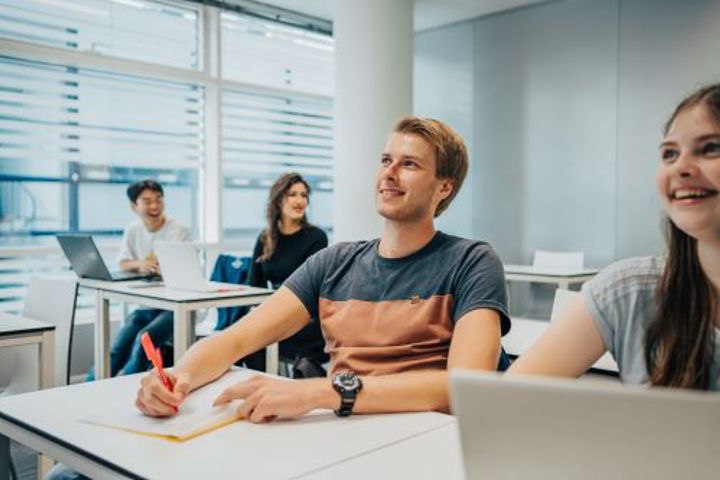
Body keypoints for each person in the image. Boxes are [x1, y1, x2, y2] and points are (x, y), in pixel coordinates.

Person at [136, 116, 511, 422]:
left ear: (444, 187)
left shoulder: (471, 261)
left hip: (429, 440)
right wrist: (178, 376)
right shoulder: (333, 264)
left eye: (409, 164)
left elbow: (467, 387)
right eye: (385, 161)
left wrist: (320, 391)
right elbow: (234, 340)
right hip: (345, 435)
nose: (390, 173)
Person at [509, 84, 720, 390]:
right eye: (670, 154)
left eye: (711, 148)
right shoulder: (629, 290)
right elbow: (507, 403)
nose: (681, 168)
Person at [87, 179, 190, 380]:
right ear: (134, 206)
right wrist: (141, 264)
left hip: (175, 305)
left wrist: (157, 266)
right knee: (117, 349)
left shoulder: (177, 229)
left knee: (143, 340)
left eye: (159, 200)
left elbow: (177, 266)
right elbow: (123, 262)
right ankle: (85, 390)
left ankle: (128, 391)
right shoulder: (133, 229)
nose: (155, 206)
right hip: (148, 304)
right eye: (147, 201)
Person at [241, 172, 329, 375]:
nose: (300, 201)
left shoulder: (316, 237)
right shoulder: (266, 238)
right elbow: (253, 284)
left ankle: (279, 390)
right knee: (247, 343)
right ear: (278, 199)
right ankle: (272, 389)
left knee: (255, 341)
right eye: (292, 194)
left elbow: (312, 290)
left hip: (306, 319)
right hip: (275, 313)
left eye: (304, 195)